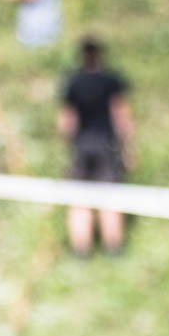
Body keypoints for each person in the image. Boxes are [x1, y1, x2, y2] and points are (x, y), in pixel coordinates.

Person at [58, 36, 134, 256]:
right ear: (100, 54)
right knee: (110, 197)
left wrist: (70, 147)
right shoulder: (110, 80)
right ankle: (114, 249)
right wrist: (128, 148)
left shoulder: (73, 81)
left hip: (81, 145)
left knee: (79, 199)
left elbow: (66, 121)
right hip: (105, 144)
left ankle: (81, 250)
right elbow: (121, 115)